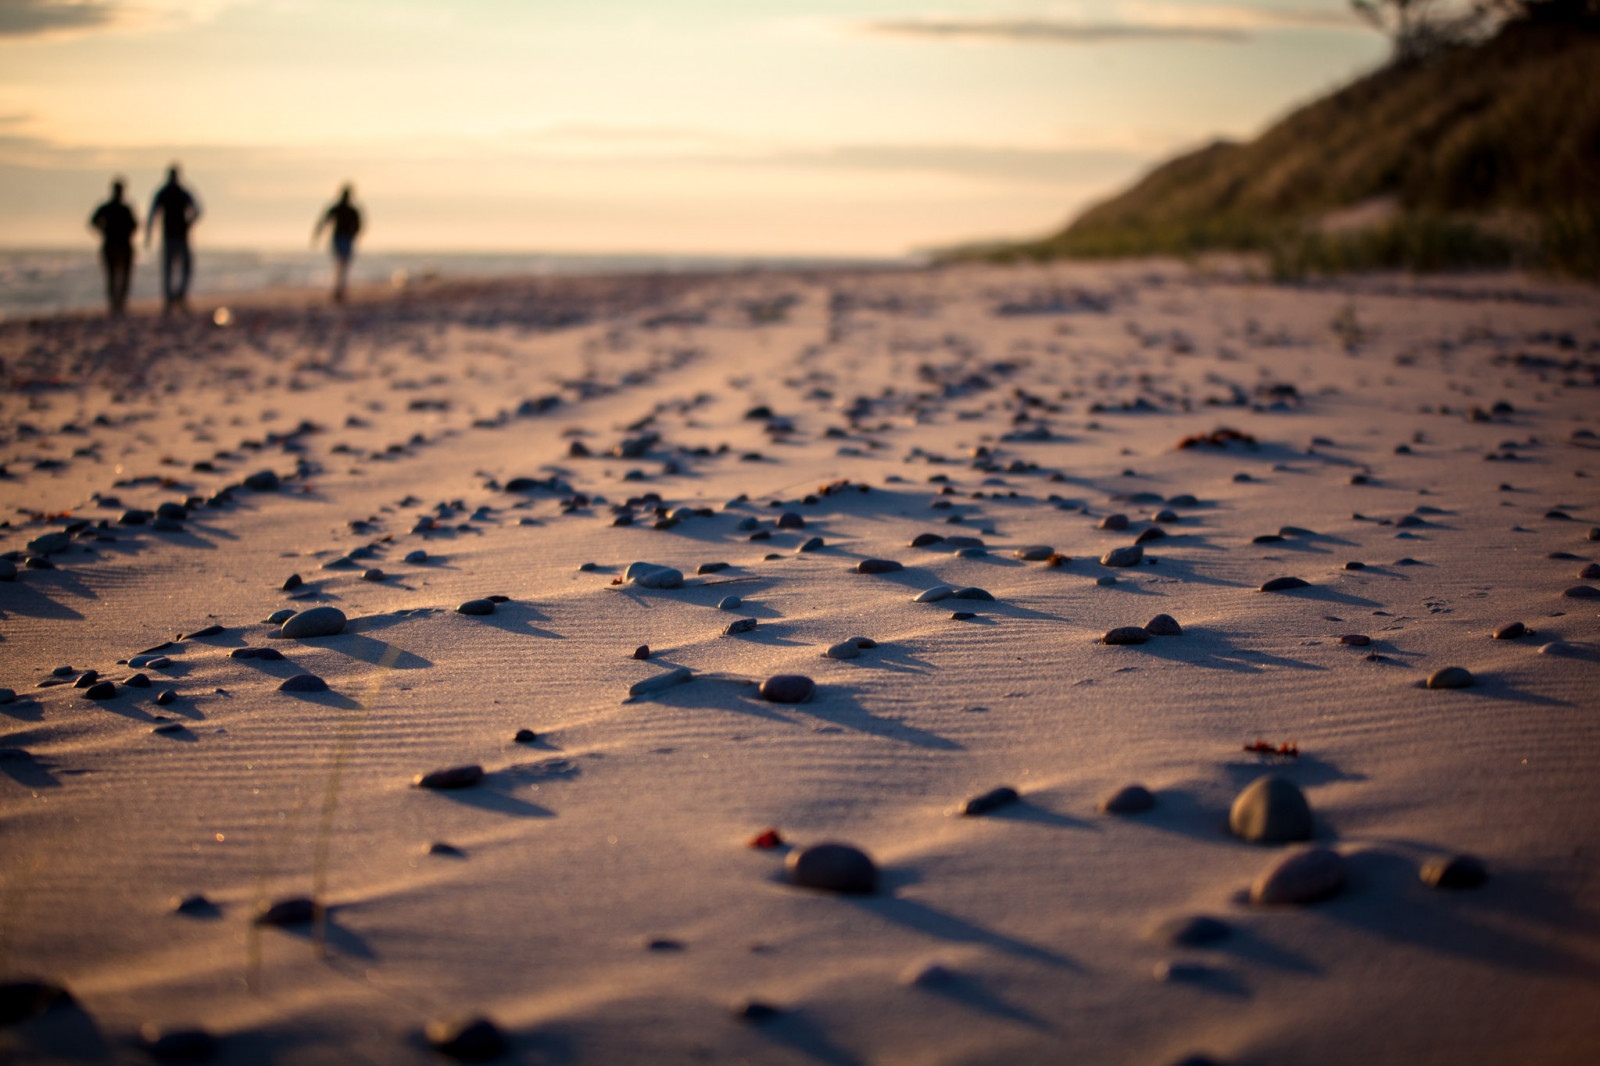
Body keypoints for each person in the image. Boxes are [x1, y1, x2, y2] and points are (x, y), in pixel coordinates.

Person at [146, 164, 201, 314]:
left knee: (173, 270)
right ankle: (173, 299)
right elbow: (197, 210)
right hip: (175, 237)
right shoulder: (176, 192)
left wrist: (149, 235)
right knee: (177, 270)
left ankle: (175, 298)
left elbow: (153, 215)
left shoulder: (171, 192)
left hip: (175, 237)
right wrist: (189, 223)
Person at [88, 178, 138, 316]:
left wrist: (102, 230)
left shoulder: (122, 208)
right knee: (116, 276)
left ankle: (118, 304)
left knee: (118, 277)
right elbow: (93, 222)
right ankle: (117, 304)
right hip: (116, 245)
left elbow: (135, 226)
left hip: (118, 245)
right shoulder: (116, 208)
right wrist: (102, 231)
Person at [313, 184, 362, 304]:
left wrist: (354, 234)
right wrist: (318, 233)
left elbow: (358, 225)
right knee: (341, 265)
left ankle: (339, 289)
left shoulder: (349, 210)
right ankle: (339, 289)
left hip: (343, 239)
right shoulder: (345, 209)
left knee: (341, 265)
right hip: (341, 239)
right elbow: (325, 221)